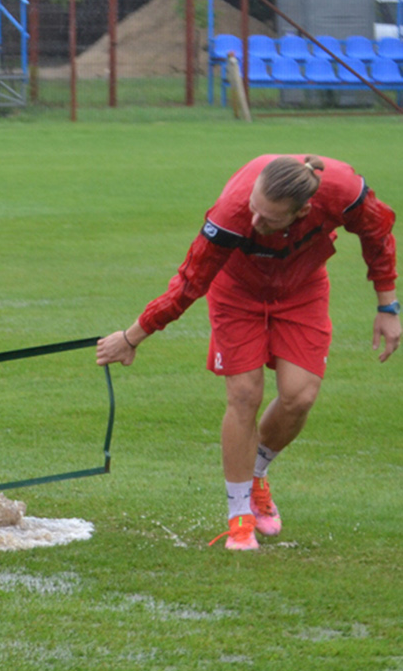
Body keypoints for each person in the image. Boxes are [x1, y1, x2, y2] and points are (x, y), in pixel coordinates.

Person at [96, 154, 398, 551]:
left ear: (304, 211)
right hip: (236, 291)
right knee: (244, 394)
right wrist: (132, 336)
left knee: (299, 396)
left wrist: (387, 305)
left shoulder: (345, 191)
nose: (254, 222)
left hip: (302, 288)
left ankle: (256, 474)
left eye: (269, 218)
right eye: (254, 209)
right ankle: (239, 520)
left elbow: (377, 234)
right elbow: (190, 282)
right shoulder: (232, 213)